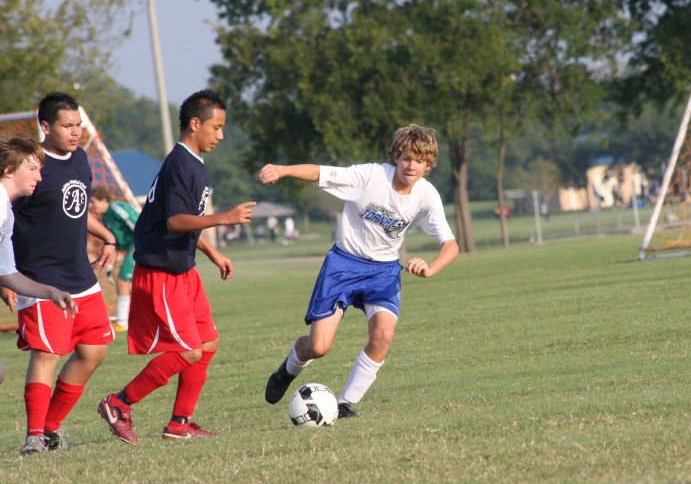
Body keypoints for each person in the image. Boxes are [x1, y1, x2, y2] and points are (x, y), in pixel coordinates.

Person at [257, 124, 459, 418]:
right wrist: (282, 170)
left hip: (383, 272)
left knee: (384, 334)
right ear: (395, 158)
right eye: (405, 157)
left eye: (418, 160)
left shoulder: (427, 196)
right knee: (319, 346)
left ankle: (344, 403)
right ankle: (287, 370)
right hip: (343, 265)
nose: (410, 165)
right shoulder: (370, 176)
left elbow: (451, 245)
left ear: (428, 165)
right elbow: (320, 172)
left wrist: (430, 267)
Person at [97, 89, 255, 444]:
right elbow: (175, 221)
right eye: (216, 127)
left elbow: (186, 218)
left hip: (183, 270)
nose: (220, 135)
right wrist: (225, 217)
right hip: (162, 273)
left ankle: (180, 424)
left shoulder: (192, 162)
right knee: (187, 351)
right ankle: (118, 403)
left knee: (208, 343)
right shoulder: (182, 164)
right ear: (195, 124)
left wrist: (212, 252)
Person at [5, 93, 118, 456]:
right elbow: (7, 217)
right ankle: (34, 436)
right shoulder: (29, 166)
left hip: (81, 278)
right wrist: (6, 279)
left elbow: (78, 206)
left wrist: (108, 237)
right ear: (45, 126)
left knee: (94, 351)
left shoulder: (81, 159)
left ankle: (51, 429)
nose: (76, 133)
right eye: (67, 126)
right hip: (39, 279)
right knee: (46, 354)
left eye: (78, 125)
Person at [0, 137, 79, 387]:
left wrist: (51, 292)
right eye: (32, 169)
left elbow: (7, 274)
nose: (39, 178)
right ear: (9, 170)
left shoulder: (7, 213)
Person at [89, 186, 139, 332]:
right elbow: (114, 243)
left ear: (104, 200)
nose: (91, 206)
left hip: (137, 247)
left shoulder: (117, 208)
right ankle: (133, 318)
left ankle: (123, 323)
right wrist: (110, 266)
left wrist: (144, 245)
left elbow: (137, 224)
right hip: (130, 249)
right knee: (128, 284)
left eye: (93, 201)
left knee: (123, 281)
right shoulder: (105, 217)